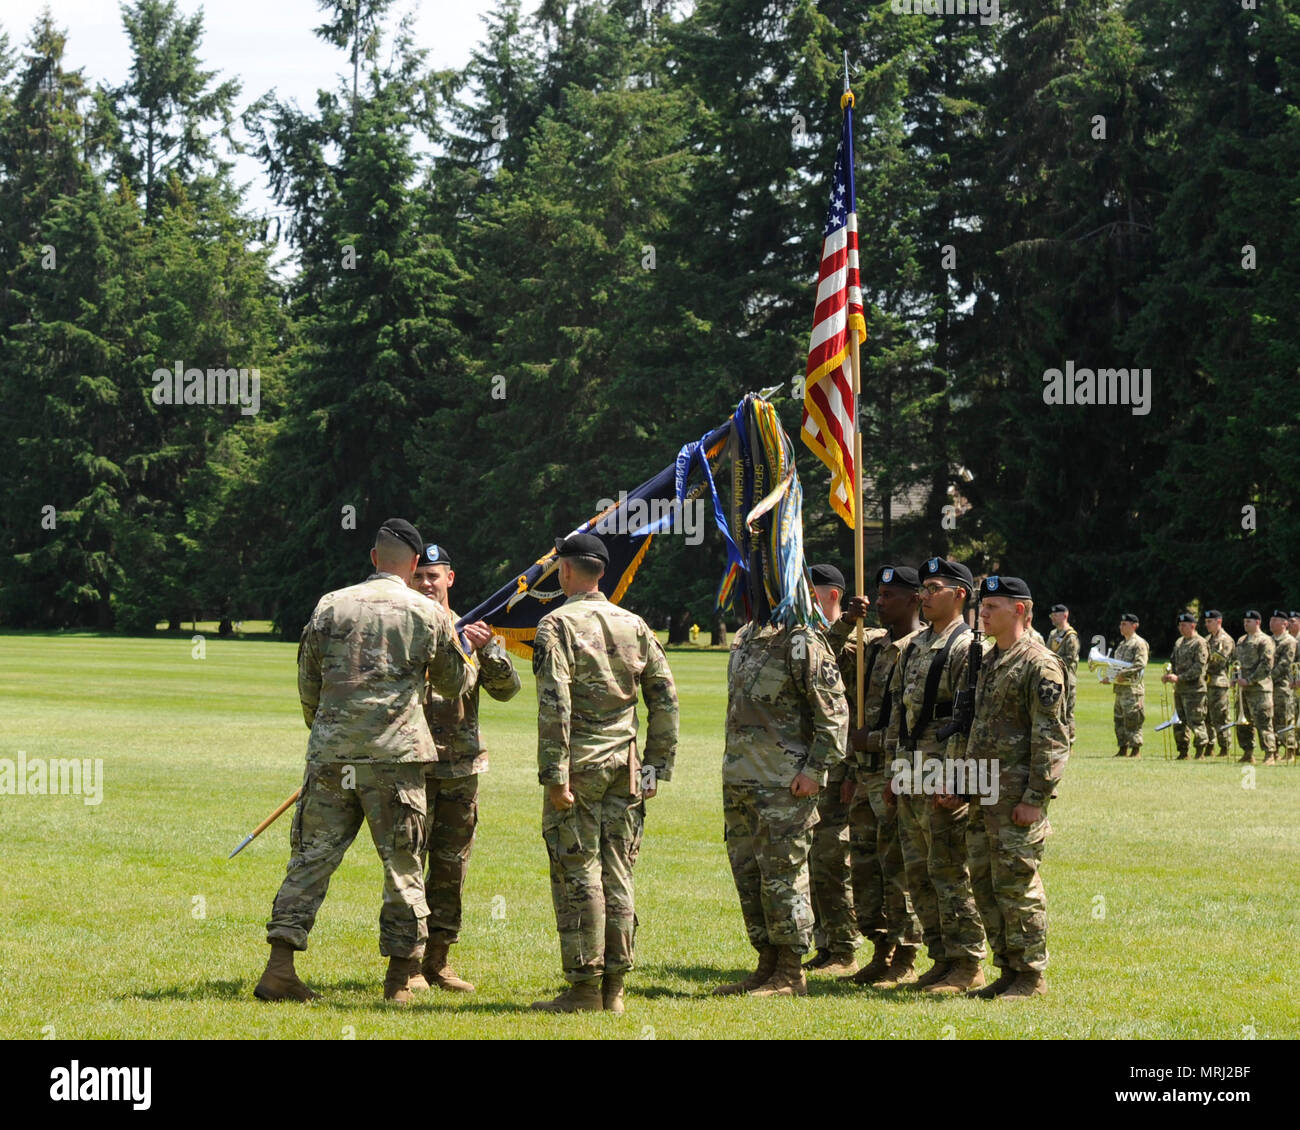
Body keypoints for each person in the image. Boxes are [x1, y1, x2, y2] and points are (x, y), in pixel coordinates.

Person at [256, 518, 470, 1004]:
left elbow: (308, 681)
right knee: (403, 867)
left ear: (374, 558)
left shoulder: (330, 604)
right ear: (414, 564)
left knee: (310, 861)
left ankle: (279, 968)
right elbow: (455, 683)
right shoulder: (426, 612)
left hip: (331, 754)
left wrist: (327, 728)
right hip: (394, 758)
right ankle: (399, 979)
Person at [530, 533, 679, 1013]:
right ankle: (614, 990)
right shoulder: (634, 624)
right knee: (618, 873)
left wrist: (555, 775)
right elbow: (665, 699)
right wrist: (656, 767)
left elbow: (555, 704)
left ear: (566, 572)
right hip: (627, 767)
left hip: (580, 768)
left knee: (579, 873)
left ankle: (584, 988)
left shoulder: (556, 625)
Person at [714, 577, 849, 998]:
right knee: (750, 878)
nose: (747, 590)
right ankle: (766, 964)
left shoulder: (801, 640)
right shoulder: (745, 636)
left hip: (784, 787)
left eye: (755, 581)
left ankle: (791, 972)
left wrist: (814, 772)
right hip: (741, 783)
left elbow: (835, 717)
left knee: (784, 879)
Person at [406, 542, 520, 994]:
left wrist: (487, 648)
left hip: (460, 770)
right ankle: (408, 965)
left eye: (434, 576)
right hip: (411, 767)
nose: (426, 584)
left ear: (450, 579)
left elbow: (507, 690)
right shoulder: (403, 629)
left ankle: (439, 960)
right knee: (408, 869)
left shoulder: (473, 629)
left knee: (451, 871)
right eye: (419, 576)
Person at [962, 577, 1068, 999]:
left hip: (1014, 798)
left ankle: (1031, 975)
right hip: (984, 792)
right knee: (986, 883)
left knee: (1018, 884)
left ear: (1020, 610)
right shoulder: (990, 659)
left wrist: (1035, 799)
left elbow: (1052, 738)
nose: (983, 613)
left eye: (992, 607)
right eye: (982, 606)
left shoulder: (1039, 664)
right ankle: (1007, 968)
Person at [885, 556, 987, 995]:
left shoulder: (968, 648)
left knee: (949, 869)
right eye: (923, 589)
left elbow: (971, 720)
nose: (923, 596)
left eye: (933, 588)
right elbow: (898, 714)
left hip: (942, 770)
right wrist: (894, 771)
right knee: (918, 871)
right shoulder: (914, 644)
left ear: (959, 594)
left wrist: (959, 780)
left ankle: (968, 964)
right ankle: (941, 958)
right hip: (911, 769)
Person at [842, 565, 925, 987]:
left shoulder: (920, 648)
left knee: (898, 869)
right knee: (865, 868)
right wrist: (844, 619)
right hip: (866, 776)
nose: (878, 602)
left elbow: (915, 721)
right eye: (877, 594)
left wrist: (870, 742)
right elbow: (829, 655)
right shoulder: (873, 644)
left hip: (896, 775)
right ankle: (880, 948)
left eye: (889, 596)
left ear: (914, 600)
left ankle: (905, 956)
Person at [803, 563, 876, 977]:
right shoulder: (809, 637)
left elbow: (831, 658)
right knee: (815, 855)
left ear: (831, 595)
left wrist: (849, 623)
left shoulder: (864, 639)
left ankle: (845, 946)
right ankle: (827, 943)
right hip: (814, 761)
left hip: (845, 764)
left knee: (834, 855)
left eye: (810, 592)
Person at [1163, 612, 1210, 760]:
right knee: (1179, 722)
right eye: (1179, 626)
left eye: (1184, 625)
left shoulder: (1200, 643)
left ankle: (1200, 751)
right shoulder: (1179, 642)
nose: (1181, 628)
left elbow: (1199, 668)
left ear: (1193, 626)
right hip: (1180, 690)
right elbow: (1173, 662)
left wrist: (1179, 677)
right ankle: (1183, 752)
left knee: (1195, 720)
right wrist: (1168, 674)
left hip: (1195, 690)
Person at [1235, 611, 1276, 765]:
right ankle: (1247, 752)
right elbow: (1236, 663)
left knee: (1263, 721)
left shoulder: (1265, 640)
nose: (1246, 624)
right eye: (1245, 621)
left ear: (1257, 622)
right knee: (1243, 723)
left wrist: (1249, 680)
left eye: (1249, 621)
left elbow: (1266, 665)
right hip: (1243, 690)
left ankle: (1269, 753)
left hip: (1259, 688)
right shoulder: (1241, 640)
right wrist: (1235, 679)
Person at [1104, 613, 1148, 758]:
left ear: (1134, 626)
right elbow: (1116, 665)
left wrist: (1124, 674)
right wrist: (1109, 677)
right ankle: (1122, 748)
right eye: (1121, 624)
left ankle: (1135, 750)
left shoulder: (1139, 643)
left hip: (1132, 689)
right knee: (1119, 719)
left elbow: (1140, 664)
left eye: (1125, 624)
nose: (1121, 627)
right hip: (1120, 689)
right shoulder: (1122, 645)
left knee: (1132, 719)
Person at [1203, 610, 1236, 757]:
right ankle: (1210, 745)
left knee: (1220, 716)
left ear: (1219, 621)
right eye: (1206, 622)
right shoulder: (1207, 639)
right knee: (1207, 716)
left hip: (1218, 683)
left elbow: (1220, 661)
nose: (1207, 624)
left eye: (1210, 621)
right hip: (1206, 682)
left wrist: (1201, 667)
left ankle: (1225, 746)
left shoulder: (1225, 639)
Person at [1046, 604, 1079, 744]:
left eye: (1056, 615)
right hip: (1053, 678)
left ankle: (1069, 742)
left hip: (1066, 679)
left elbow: (1070, 659)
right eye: (1052, 615)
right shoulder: (1053, 634)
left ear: (1065, 615)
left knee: (1067, 712)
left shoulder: (1070, 636)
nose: (1053, 617)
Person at [1268, 609, 1296, 766]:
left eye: (1276, 620)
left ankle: (1290, 749)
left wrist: (1267, 678)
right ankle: (1275, 749)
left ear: (1285, 624)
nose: (1272, 623)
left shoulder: (1289, 641)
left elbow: (1285, 664)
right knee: (1270, 719)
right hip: (1268, 687)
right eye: (1271, 620)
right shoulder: (1269, 640)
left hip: (1282, 686)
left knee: (1284, 718)